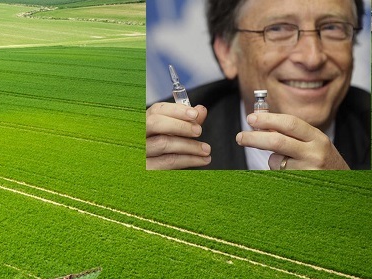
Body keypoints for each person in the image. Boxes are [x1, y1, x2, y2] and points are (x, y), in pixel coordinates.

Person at [147, 0, 370, 170]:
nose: (312, 57)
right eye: (278, 29)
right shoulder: (158, 140)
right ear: (227, 52)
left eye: (332, 28)